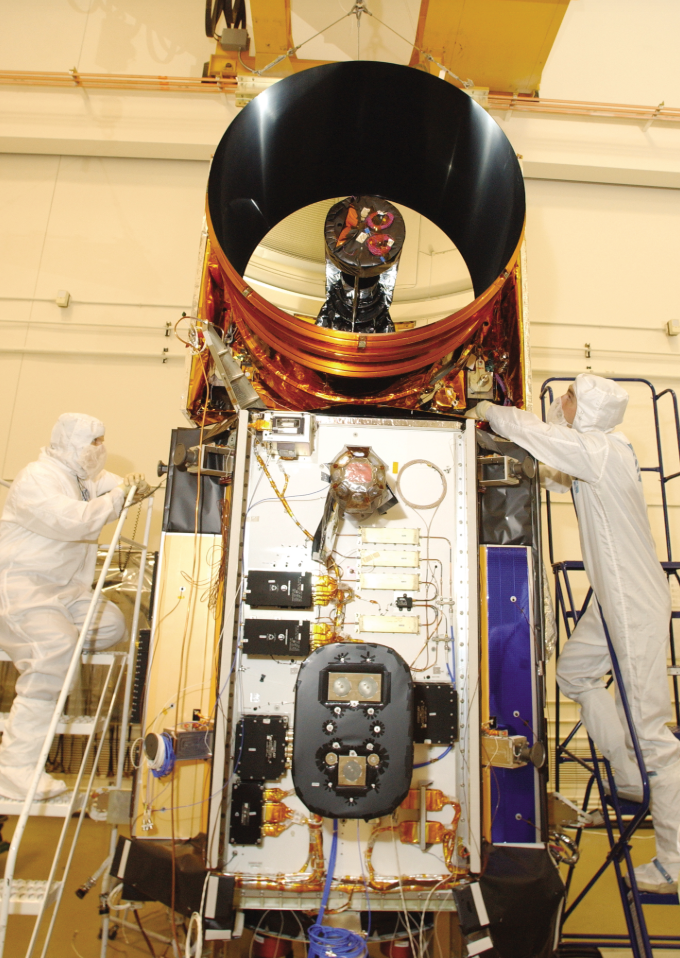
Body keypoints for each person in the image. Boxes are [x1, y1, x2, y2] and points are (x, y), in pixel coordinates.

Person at [467, 374, 680, 894]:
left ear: (585, 410)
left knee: (654, 732)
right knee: (576, 674)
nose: (560, 404)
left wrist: (488, 410)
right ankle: (629, 774)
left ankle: (675, 862)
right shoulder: (610, 451)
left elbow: (536, 434)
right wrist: (523, 468)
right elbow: (558, 471)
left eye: (567, 398)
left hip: (632, 601)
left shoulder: (599, 448)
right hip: (617, 598)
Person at [0, 413, 149, 800]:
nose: (101, 449)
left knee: (112, 625)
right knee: (55, 650)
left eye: (103, 440)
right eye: (94, 442)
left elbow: (121, 487)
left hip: (65, 592)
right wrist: (119, 498)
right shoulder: (38, 477)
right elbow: (74, 522)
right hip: (23, 586)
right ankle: (14, 769)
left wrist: (136, 487)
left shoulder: (82, 479)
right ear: (69, 444)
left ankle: (53, 647)